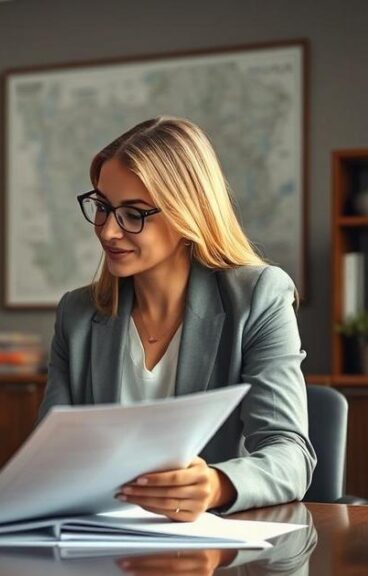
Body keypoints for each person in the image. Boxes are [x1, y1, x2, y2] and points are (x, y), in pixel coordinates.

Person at [38, 116, 316, 519]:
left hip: (214, 552)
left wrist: (216, 485)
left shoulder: (259, 296)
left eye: (133, 214)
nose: (107, 232)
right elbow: (50, 457)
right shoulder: (77, 315)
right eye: (102, 207)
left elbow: (290, 455)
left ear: (188, 213)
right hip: (100, 542)